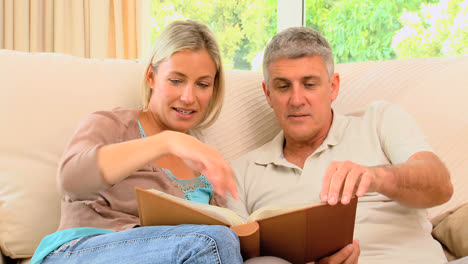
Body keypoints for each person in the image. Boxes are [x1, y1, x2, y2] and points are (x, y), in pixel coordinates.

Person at [227, 26, 453, 264]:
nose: (296, 100)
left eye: (310, 84)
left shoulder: (378, 121)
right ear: (268, 93)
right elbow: (237, 253)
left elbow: (441, 187)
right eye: (283, 86)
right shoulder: (240, 172)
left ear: (333, 86)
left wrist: (376, 177)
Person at [30, 20, 243, 264]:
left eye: (203, 85)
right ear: (151, 77)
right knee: (213, 242)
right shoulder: (112, 124)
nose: (188, 97)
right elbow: (71, 180)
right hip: (78, 250)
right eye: (176, 80)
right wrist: (166, 142)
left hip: (176, 253)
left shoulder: (208, 163)